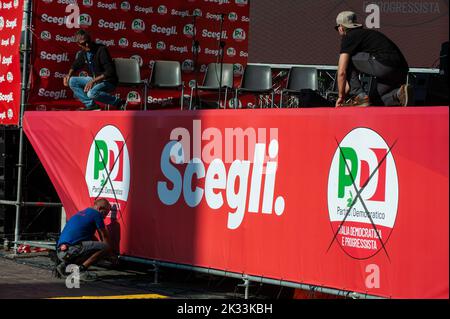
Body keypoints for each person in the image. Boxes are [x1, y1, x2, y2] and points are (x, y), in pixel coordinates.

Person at [334, 11, 412, 107]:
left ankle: (360, 95)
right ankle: (398, 95)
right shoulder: (366, 34)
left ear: (341, 27)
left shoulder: (349, 37)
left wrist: (341, 97)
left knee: (344, 60)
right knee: (374, 101)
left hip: (385, 65)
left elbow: (342, 72)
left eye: (337, 28)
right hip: (401, 69)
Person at [63, 30, 127, 111]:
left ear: (90, 39)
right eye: (83, 43)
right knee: (72, 81)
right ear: (78, 44)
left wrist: (93, 81)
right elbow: (75, 65)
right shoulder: (83, 52)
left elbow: (110, 71)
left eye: (88, 41)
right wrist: (68, 75)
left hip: (108, 81)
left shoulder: (101, 49)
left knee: (91, 93)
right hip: (95, 80)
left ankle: (119, 102)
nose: (87, 44)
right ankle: (91, 105)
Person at [55, 198, 114, 281]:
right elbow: (104, 236)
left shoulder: (83, 213)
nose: (104, 217)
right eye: (105, 214)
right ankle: (80, 270)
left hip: (61, 251)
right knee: (106, 247)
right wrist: (110, 254)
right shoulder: (96, 214)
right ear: (100, 208)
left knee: (93, 248)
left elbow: (93, 241)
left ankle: (64, 265)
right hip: (71, 250)